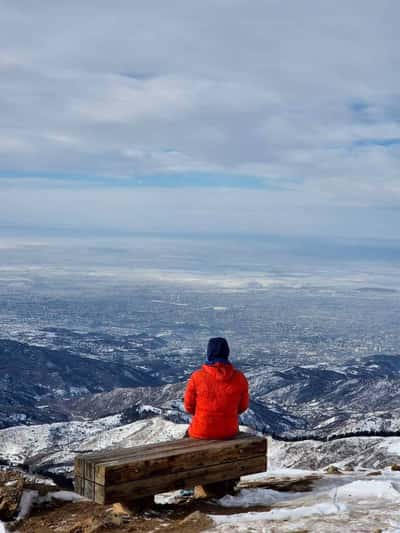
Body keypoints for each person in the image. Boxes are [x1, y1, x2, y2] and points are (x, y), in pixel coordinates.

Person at [184, 337, 249, 439]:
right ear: (227, 353)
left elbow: (189, 406)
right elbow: (243, 406)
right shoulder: (239, 377)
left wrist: (204, 415)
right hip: (229, 432)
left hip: (201, 431)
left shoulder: (197, 376)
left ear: (209, 353)